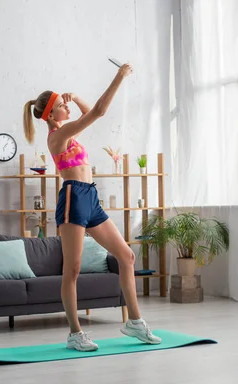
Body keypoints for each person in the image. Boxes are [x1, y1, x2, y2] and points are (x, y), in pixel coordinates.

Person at [22, 64, 162, 352]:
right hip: (73, 198)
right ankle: (75, 333)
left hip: (90, 197)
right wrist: (119, 77)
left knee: (126, 255)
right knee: (72, 270)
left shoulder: (69, 132)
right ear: (50, 115)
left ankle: (134, 322)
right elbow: (98, 113)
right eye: (62, 106)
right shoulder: (56, 137)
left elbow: (88, 114)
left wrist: (75, 98)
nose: (68, 108)